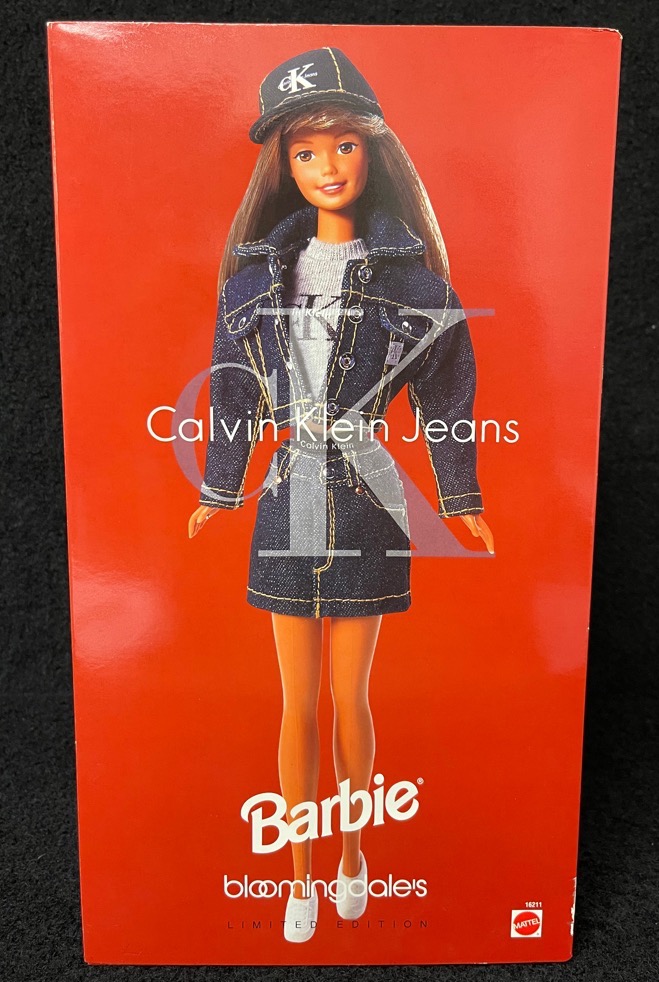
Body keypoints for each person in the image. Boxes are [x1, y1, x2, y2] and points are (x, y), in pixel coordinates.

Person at [188, 47, 494, 943]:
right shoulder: (251, 282)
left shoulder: (414, 283)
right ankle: (298, 877)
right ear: (283, 166)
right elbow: (234, 395)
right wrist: (219, 486)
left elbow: (446, 396)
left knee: (351, 700)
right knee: (296, 705)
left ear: (373, 151)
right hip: (287, 494)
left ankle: (353, 855)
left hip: (365, 494)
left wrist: (460, 494)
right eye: (305, 151)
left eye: (344, 146)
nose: (327, 166)